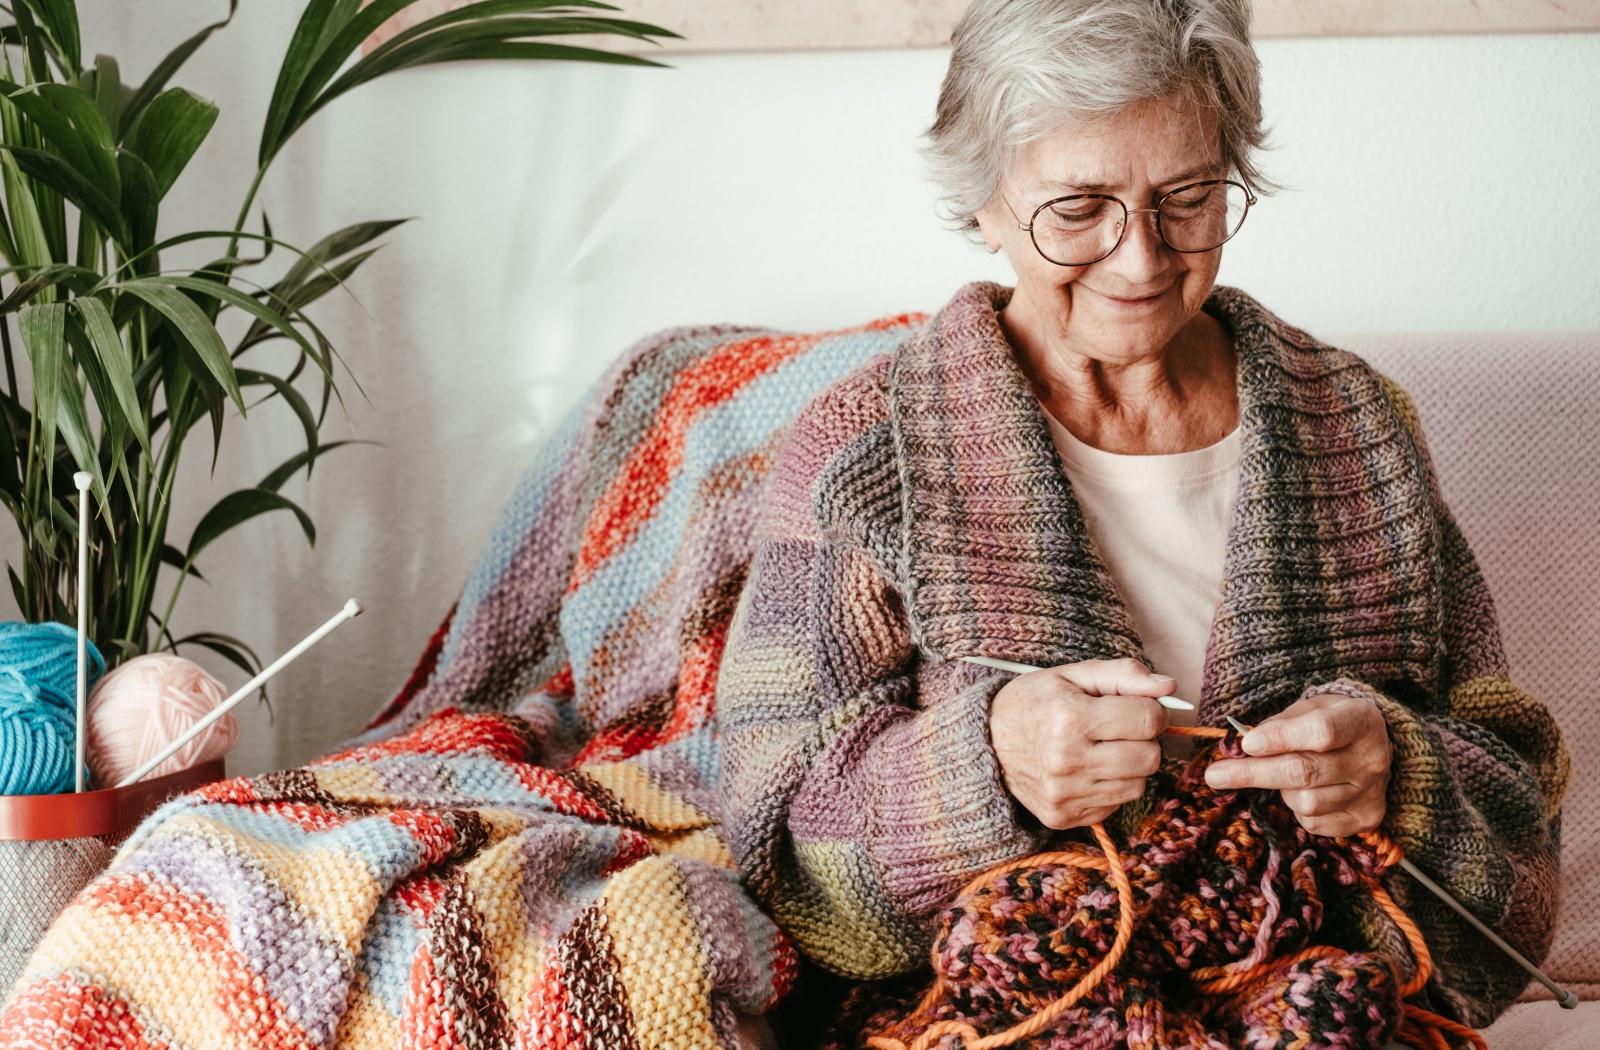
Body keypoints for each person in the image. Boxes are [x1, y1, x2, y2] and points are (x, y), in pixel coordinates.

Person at [715, 0, 1570, 1034]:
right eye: (1078, 209)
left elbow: (1518, 847)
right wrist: (979, 770)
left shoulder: (1358, 426)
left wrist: (1399, 771)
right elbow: (777, 848)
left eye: (1188, 198)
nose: (1139, 260)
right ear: (982, 202)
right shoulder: (863, 453)